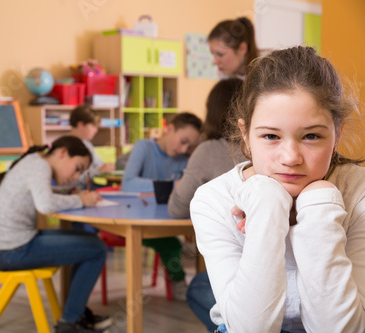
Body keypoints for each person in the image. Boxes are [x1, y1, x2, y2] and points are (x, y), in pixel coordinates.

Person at [190, 46, 365, 332]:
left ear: (338, 133)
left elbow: (343, 329)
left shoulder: (358, 192)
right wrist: (267, 205)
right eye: (270, 136)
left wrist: (319, 204)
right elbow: (249, 328)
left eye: (311, 136)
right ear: (245, 135)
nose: (290, 157)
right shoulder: (213, 200)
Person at [0, 135, 112, 333]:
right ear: (62, 153)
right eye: (77, 168)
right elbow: (45, 204)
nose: (75, 176)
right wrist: (81, 201)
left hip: (10, 246)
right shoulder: (40, 166)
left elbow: (43, 193)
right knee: (97, 249)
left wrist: (69, 192)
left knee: (89, 242)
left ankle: (74, 314)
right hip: (12, 251)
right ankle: (69, 322)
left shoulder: (34, 162)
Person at [167, 78, 245, 331]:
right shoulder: (266, 145)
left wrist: (181, 183)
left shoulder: (209, 149)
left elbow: (176, 209)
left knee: (198, 286)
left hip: (239, 256)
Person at [121, 112, 202, 301]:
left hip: (168, 218)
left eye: (189, 146)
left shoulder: (185, 159)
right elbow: (128, 183)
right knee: (172, 244)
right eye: (183, 141)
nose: (183, 149)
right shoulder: (144, 147)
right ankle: (179, 281)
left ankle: (195, 285)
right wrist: (172, 185)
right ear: (170, 128)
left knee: (182, 243)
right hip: (137, 220)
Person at [68, 104, 115, 190]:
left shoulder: (86, 143)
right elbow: (74, 180)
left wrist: (105, 167)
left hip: (89, 186)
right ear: (81, 125)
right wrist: (98, 171)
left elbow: (99, 163)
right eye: (93, 126)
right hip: (78, 190)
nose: (96, 130)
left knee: (118, 189)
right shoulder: (67, 147)